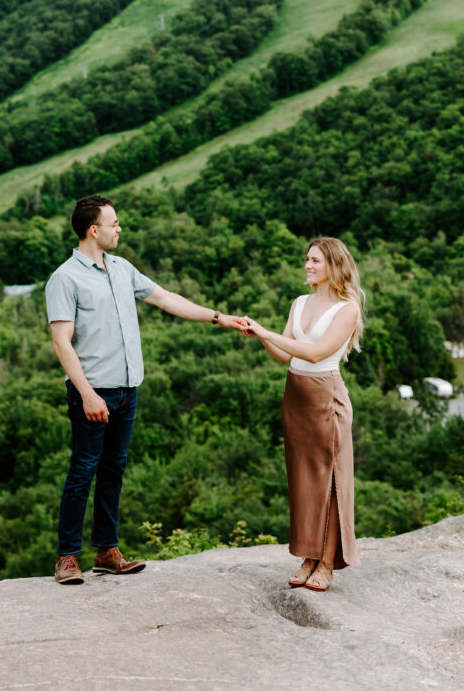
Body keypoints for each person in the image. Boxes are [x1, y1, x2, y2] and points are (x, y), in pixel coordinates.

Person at [46, 194, 246, 584]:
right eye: (114, 223)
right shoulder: (65, 278)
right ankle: (67, 557)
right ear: (93, 229)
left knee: (113, 471)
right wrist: (87, 394)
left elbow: (166, 298)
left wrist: (218, 317)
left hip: (127, 390)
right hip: (93, 391)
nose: (119, 228)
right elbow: (61, 342)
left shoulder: (122, 269)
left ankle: (107, 551)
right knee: (82, 472)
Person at [241, 236, 364, 591]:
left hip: (326, 398)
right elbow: (285, 355)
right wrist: (260, 334)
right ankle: (308, 556)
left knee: (329, 481)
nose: (307, 265)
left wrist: (266, 331)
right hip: (295, 397)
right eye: (307, 259)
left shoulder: (347, 308)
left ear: (334, 266)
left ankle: (326, 563)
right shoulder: (299, 302)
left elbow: (315, 353)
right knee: (303, 482)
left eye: (315, 261)